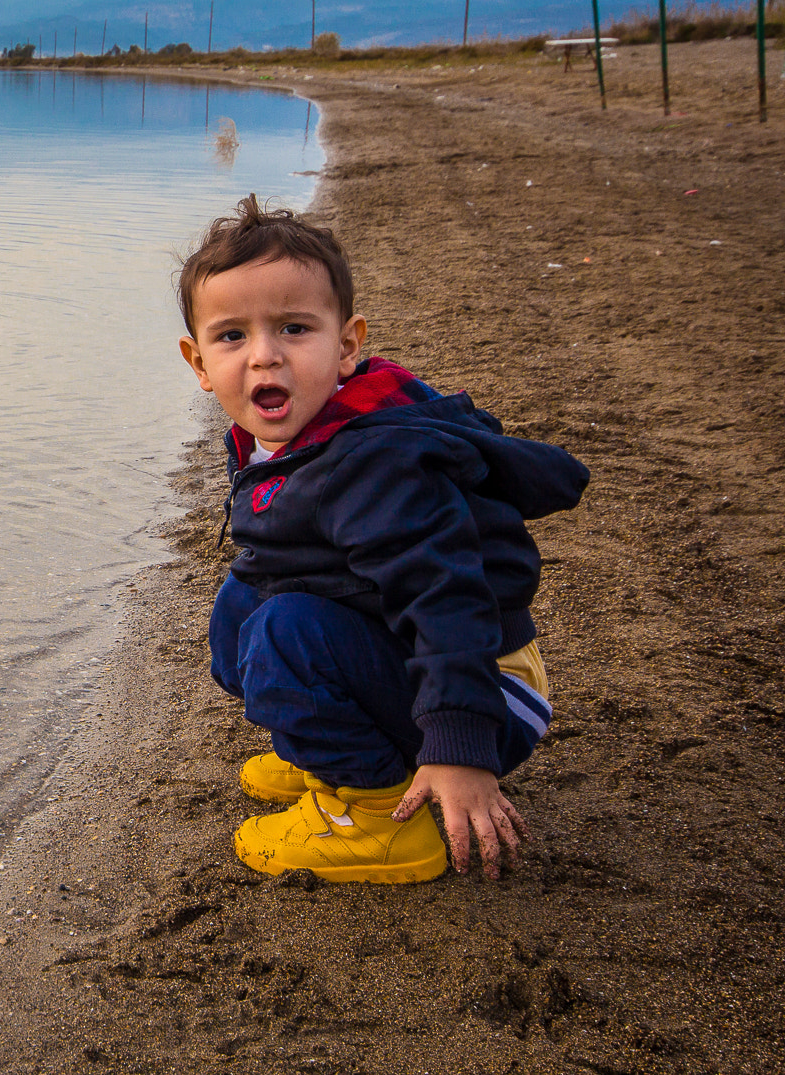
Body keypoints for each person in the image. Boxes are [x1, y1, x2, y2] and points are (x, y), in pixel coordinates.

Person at [175, 195, 588, 883]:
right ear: (197, 362)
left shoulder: (373, 463)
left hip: (487, 685)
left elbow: (445, 593)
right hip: (422, 655)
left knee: (283, 631)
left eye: (294, 328)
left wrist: (461, 746)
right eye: (232, 337)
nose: (264, 356)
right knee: (246, 597)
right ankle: (335, 748)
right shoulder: (278, 435)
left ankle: (375, 821)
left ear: (347, 346)